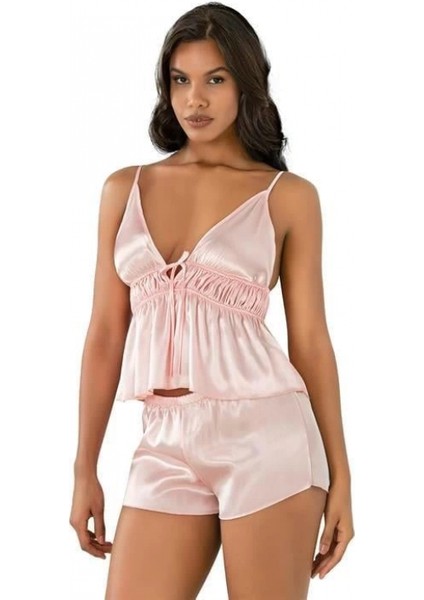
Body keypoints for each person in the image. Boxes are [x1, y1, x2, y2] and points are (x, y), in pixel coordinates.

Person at [70, 2, 354, 598]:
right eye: (181, 80)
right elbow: (104, 335)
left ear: (246, 85)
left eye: (215, 80)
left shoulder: (288, 196)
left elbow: (310, 341)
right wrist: (84, 467)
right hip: (164, 442)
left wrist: (342, 476)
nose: (194, 100)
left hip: (267, 438)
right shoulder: (125, 189)